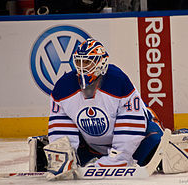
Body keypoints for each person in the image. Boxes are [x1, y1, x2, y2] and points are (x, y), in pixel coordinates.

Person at [44, 38, 164, 178]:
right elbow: (61, 125)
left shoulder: (118, 80)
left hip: (137, 137)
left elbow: (132, 123)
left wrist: (118, 158)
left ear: (101, 63)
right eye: (79, 62)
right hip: (93, 146)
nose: (82, 67)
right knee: (54, 155)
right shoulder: (63, 87)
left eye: (88, 62)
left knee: (155, 142)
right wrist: (64, 157)